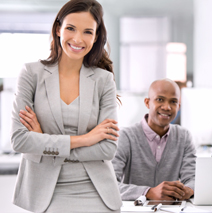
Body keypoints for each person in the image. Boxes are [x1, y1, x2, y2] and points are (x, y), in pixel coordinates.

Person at [10, 0, 122, 212]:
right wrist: (86, 139)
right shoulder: (31, 74)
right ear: (58, 29)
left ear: (95, 37)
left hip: (97, 191)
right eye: (71, 28)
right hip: (44, 192)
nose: (78, 39)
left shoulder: (104, 80)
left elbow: (108, 148)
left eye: (88, 32)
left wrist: (44, 142)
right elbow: (20, 140)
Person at [112, 79, 196, 201]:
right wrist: (148, 192)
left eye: (173, 102)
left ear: (178, 107)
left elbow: (193, 178)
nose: (167, 107)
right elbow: (110, 184)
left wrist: (189, 189)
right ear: (147, 102)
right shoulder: (126, 136)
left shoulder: (184, 137)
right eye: (160, 99)